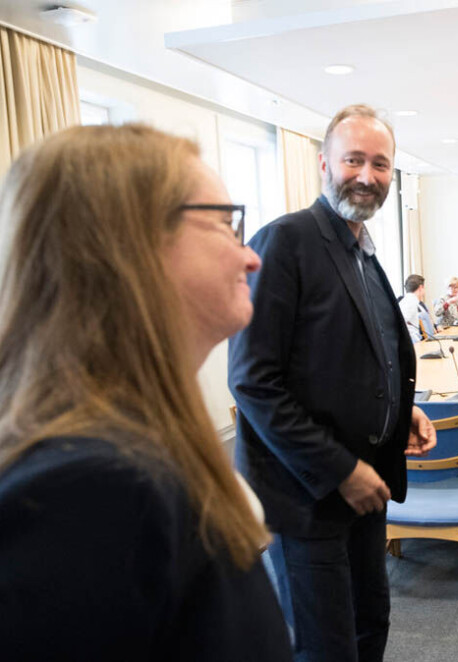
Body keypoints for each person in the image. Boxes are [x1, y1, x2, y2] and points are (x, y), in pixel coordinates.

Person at [0, 125, 292, 660]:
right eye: (226, 226)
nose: (250, 258)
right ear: (128, 247)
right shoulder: (88, 488)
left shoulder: (139, 447)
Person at [228, 104, 436, 662]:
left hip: (365, 490)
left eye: (380, 164)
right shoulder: (286, 242)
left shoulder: (364, 250)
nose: (367, 176)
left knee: (370, 625)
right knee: (325, 646)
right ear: (324, 162)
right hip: (308, 495)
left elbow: (359, 352)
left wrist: (400, 409)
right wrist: (340, 471)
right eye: (354, 160)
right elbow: (252, 381)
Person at [398, 274, 434, 342]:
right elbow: (401, 323)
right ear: (421, 288)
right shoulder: (411, 302)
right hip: (413, 344)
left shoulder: (407, 300)